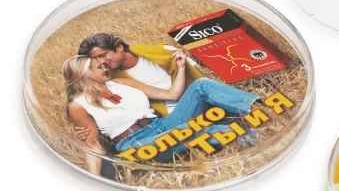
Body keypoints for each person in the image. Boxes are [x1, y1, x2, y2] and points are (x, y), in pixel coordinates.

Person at [63, 55, 260, 177]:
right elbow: (93, 146)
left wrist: (181, 68)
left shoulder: (122, 83)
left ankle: (260, 109)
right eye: (99, 67)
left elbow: (172, 95)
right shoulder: (78, 105)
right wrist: (95, 180)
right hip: (137, 143)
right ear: (85, 74)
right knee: (198, 130)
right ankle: (257, 138)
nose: (105, 68)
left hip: (163, 125)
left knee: (201, 86)